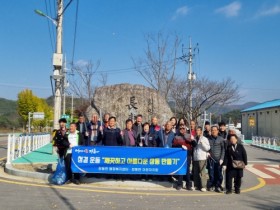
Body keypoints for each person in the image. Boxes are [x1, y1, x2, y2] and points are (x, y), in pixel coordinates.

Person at [173, 125, 196, 190]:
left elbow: (195, 145)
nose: (182, 130)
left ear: (185, 129)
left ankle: (188, 185)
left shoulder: (189, 136)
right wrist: (181, 146)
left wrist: (193, 139)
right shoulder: (177, 137)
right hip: (180, 155)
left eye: (183, 128)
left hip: (188, 155)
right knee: (180, 169)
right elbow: (174, 146)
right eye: (180, 128)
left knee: (187, 170)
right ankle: (179, 184)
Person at [207, 125, 225, 192]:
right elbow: (206, 148)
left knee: (219, 174)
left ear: (217, 131)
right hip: (211, 160)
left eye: (215, 130)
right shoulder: (208, 139)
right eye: (212, 130)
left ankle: (218, 186)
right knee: (211, 174)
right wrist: (207, 153)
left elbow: (223, 149)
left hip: (218, 160)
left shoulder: (221, 139)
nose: (213, 131)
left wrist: (222, 159)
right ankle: (212, 185)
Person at [193, 126, 210, 192]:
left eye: (198, 130)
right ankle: (196, 185)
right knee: (196, 172)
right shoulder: (194, 138)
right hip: (196, 157)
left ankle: (204, 186)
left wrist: (202, 143)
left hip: (202, 157)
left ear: (201, 131)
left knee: (203, 173)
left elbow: (208, 148)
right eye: (196, 130)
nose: (197, 131)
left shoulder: (204, 139)